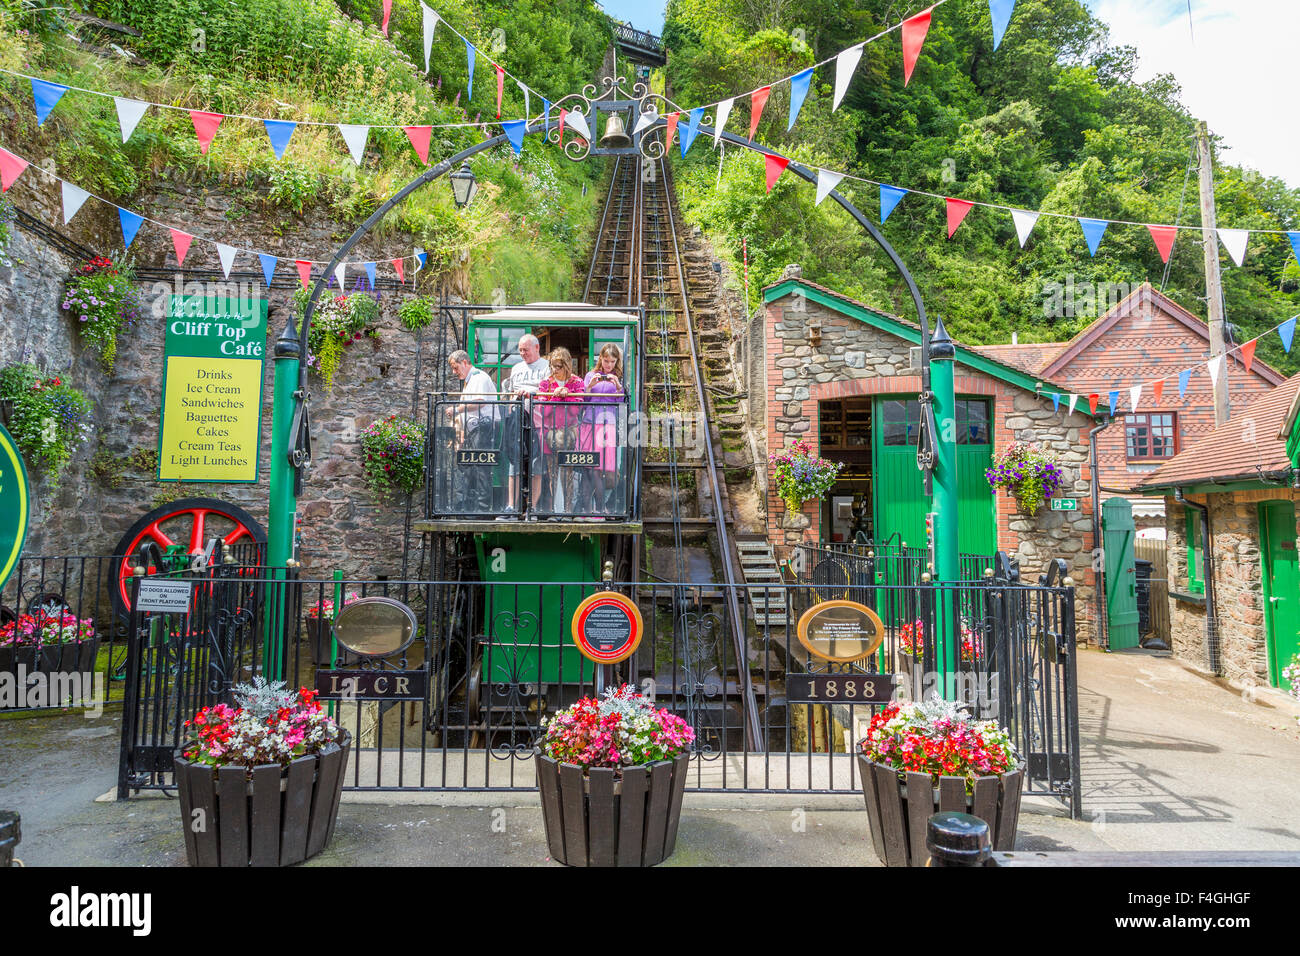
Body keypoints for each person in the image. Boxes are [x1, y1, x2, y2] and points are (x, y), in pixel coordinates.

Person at [446, 349, 498, 514]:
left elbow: (479, 402)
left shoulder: (479, 378)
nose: (455, 372)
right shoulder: (471, 381)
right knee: (470, 468)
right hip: (473, 431)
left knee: (481, 468)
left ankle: (482, 508)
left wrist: (457, 409)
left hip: (483, 429)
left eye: (456, 368)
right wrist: (461, 433)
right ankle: (470, 506)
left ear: (465, 362)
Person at [534, 348, 585, 515]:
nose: (555, 370)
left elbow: (575, 411)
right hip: (550, 435)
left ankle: (568, 511)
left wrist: (567, 395)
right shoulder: (545, 383)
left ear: (567, 366)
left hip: (570, 434)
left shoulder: (577, 382)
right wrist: (556, 396)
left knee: (568, 474)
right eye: (552, 366)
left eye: (558, 366)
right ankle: (556, 512)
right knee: (553, 474)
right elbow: (544, 412)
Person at [503, 334, 549, 515]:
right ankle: (511, 506)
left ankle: (534, 507)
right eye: (520, 350)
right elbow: (509, 391)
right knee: (514, 461)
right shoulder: (516, 368)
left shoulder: (546, 366)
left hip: (538, 420)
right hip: (516, 418)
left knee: (537, 463)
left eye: (526, 349)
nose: (522, 353)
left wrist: (530, 393)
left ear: (536, 348)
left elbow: (548, 391)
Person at [579, 343, 625, 518]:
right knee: (588, 467)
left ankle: (599, 508)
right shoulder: (591, 375)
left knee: (599, 468)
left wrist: (619, 387)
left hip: (607, 425)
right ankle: (587, 509)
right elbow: (584, 400)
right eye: (606, 361)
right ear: (601, 359)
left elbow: (621, 403)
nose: (609, 365)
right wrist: (589, 386)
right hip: (589, 423)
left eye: (612, 361)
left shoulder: (618, 377)